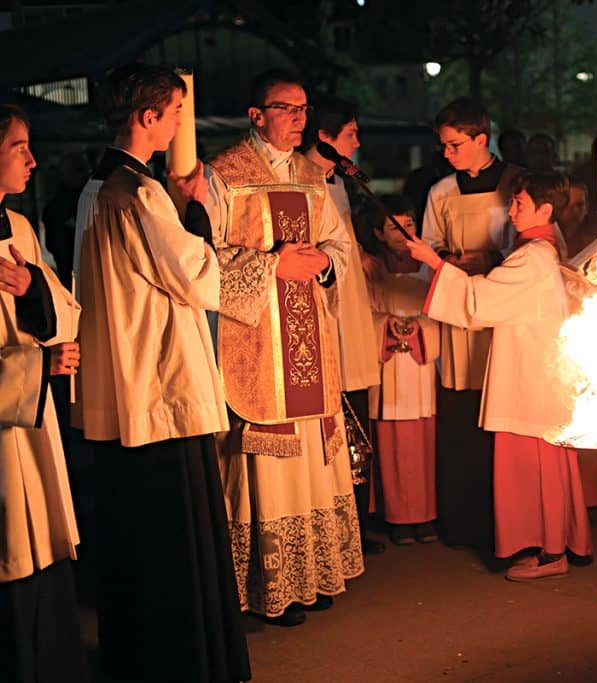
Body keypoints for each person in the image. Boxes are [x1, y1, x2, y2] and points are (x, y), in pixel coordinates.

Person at [74, 64, 250, 681]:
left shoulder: (97, 188)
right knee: (174, 534)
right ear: (148, 117)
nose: (180, 124)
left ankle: (142, 655)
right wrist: (197, 212)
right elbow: (197, 276)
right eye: (175, 113)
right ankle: (189, 658)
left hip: (123, 382)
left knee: (137, 531)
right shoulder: (139, 194)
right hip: (158, 383)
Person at [204, 70, 363, 627]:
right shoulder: (223, 176)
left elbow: (339, 244)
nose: (300, 119)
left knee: (313, 467)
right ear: (256, 115)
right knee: (271, 471)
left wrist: (321, 262)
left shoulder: (311, 177)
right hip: (259, 341)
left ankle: (312, 576)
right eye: (286, 109)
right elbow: (204, 263)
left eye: (303, 109)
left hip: (309, 340)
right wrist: (274, 265)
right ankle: (270, 587)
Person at [408, 169, 592, 580]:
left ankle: (550, 552)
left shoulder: (532, 258)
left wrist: (434, 262)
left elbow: (480, 300)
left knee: (533, 465)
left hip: (530, 376)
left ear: (544, 209)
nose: (511, 212)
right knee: (544, 462)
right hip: (540, 370)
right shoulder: (544, 250)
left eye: (519, 204)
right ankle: (558, 543)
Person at [0, 104, 87, 683]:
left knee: (38, 553)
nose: (34, 159)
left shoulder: (21, 229)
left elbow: (65, 308)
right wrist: (34, 364)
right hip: (8, 425)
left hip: (31, 429)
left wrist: (34, 290)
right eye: (17, 147)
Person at [421, 97, 518, 549]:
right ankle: (465, 522)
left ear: (482, 138)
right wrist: (451, 262)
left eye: (455, 144)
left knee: (505, 414)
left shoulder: (516, 184)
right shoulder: (441, 192)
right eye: (443, 145)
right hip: (460, 315)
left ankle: (511, 523)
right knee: (463, 416)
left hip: (504, 310)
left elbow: (535, 245)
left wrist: (491, 259)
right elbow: (428, 250)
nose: (448, 153)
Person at [302, 98, 386, 554]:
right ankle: (337, 524)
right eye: (349, 134)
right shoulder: (304, 181)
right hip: (328, 314)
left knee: (358, 410)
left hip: (353, 311)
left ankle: (357, 518)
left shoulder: (337, 181)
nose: (357, 142)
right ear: (325, 139)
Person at [365, 195, 440, 545]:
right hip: (389, 367)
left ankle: (426, 514)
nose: (402, 231)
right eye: (393, 226)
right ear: (379, 233)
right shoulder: (372, 271)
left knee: (425, 441)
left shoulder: (427, 269)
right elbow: (361, 314)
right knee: (392, 442)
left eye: (408, 224)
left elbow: (443, 311)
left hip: (422, 367)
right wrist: (387, 325)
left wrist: (421, 328)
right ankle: (397, 516)